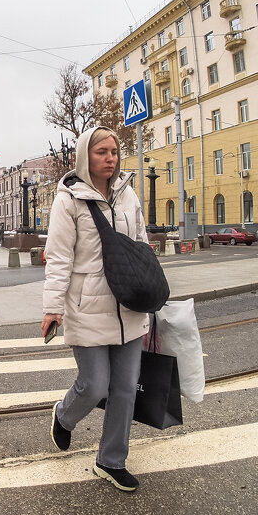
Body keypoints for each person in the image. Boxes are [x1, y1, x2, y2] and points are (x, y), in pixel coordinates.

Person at [42, 125, 151, 494]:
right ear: (84, 156)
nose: (110, 158)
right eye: (101, 152)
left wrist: (152, 290)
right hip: (86, 305)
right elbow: (58, 258)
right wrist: (53, 307)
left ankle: (111, 460)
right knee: (94, 385)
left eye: (114, 152)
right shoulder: (68, 200)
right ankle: (64, 415)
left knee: (125, 389)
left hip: (130, 305)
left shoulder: (128, 193)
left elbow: (141, 244)